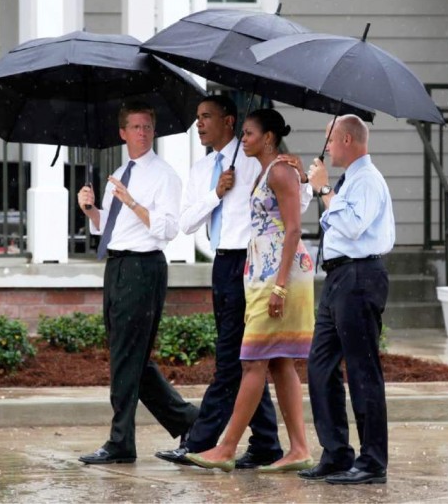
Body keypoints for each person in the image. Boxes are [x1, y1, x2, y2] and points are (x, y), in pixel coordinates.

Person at [184, 108, 315, 473]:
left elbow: (292, 230)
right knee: (278, 361)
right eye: (242, 133)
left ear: (269, 137)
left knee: (253, 360)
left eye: (250, 134)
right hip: (261, 274)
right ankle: (300, 449)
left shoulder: (281, 171)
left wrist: (281, 287)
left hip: (279, 276)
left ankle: (225, 448)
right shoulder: (265, 170)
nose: (244, 139)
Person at [76, 101, 199, 465]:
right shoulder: (120, 171)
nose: (143, 133)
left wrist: (130, 201)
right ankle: (188, 420)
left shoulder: (164, 175)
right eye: (136, 127)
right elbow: (109, 229)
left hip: (143, 268)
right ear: (122, 133)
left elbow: (166, 228)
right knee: (130, 359)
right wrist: (91, 211)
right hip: (115, 266)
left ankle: (120, 441)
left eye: (148, 127)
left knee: (127, 358)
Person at [298, 114, 395, 485]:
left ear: (349, 141)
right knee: (320, 366)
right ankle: (337, 453)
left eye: (330, 140)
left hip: (360, 276)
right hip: (338, 277)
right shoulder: (349, 179)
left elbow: (354, 226)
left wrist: (324, 191)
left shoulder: (368, 180)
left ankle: (372, 462)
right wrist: (316, 187)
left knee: (362, 370)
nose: (327, 148)